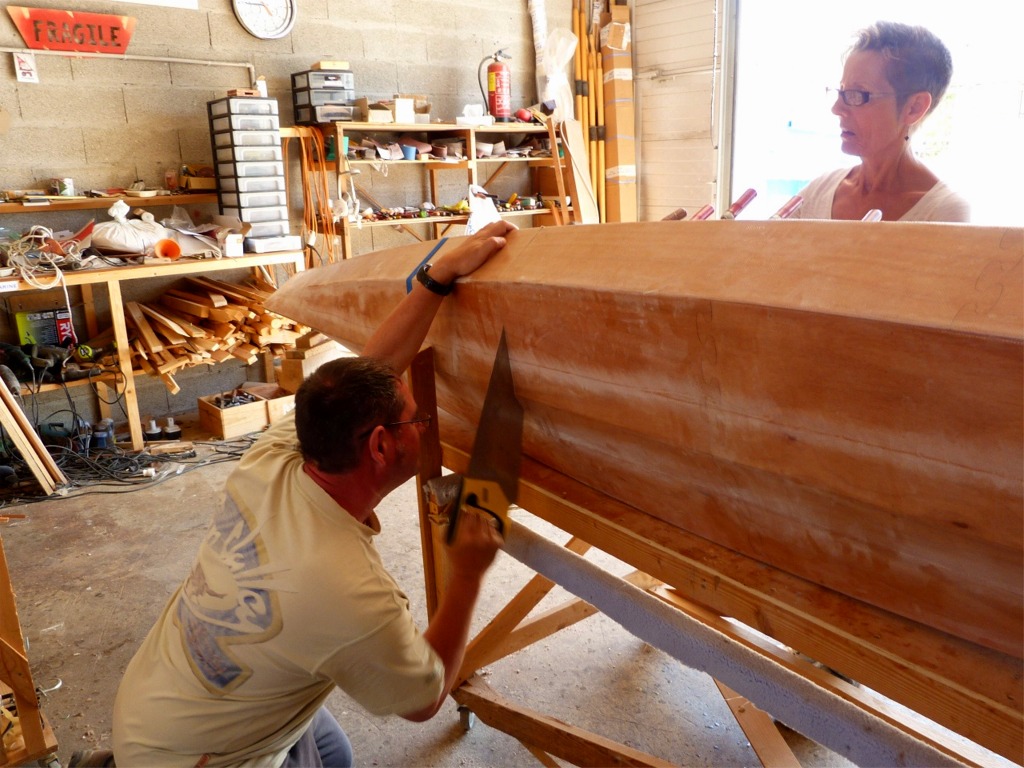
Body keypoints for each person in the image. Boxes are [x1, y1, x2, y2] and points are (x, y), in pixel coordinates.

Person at [109, 219, 518, 767]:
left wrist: (436, 280)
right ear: (379, 447)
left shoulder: (278, 457)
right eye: (418, 422)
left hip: (162, 700)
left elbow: (374, 370)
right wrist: (466, 574)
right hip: (203, 760)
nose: (425, 428)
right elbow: (424, 699)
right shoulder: (349, 591)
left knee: (333, 751)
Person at [791, 21, 970, 222]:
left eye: (857, 94)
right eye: (841, 91)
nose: (837, 108)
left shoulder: (944, 213)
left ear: (914, 108)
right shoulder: (818, 192)